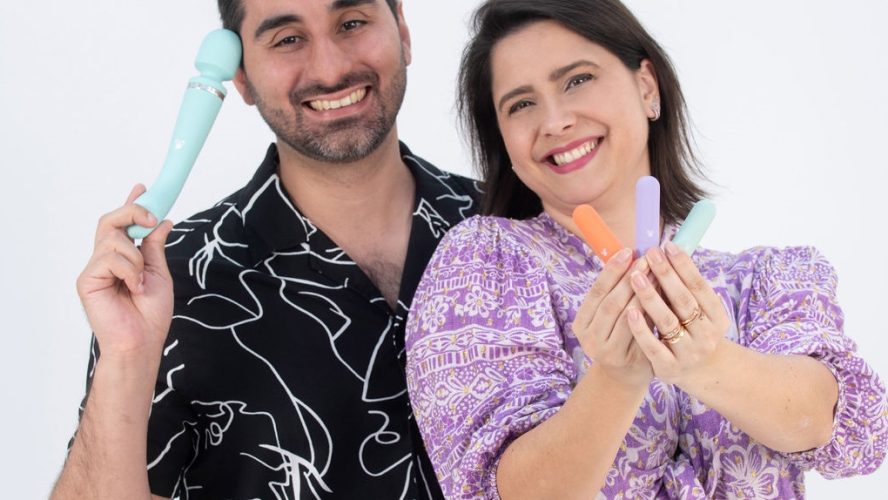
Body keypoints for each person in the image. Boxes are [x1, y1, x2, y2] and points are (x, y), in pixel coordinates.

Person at [404, 0, 888, 498]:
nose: (555, 120)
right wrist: (615, 379)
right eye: (521, 104)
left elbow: (846, 431)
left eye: (577, 80)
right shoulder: (485, 265)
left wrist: (707, 362)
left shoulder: (765, 278)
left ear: (647, 87)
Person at [52, 1, 479, 498]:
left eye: (352, 23)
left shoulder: (517, 229)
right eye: (288, 40)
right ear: (242, 77)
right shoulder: (171, 282)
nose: (331, 70)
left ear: (402, 29)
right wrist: (127, 359)